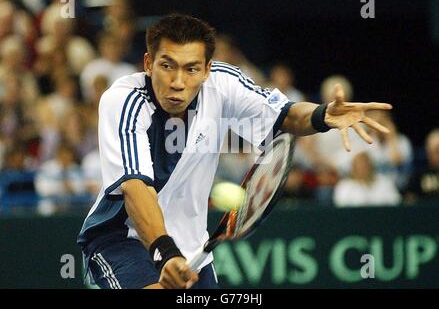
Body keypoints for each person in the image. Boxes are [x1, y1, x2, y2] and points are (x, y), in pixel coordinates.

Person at [77, 14, 392, 289]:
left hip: (191, 247)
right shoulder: (123, 101)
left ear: (207, 70)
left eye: (191, 69)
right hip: (121, 238)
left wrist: (322, 115)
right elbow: (136, 190)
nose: (177, 81)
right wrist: (165, 253)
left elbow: (285, 115)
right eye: (166, 66)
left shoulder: (223, 86)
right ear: (148, 63)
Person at [333, 151, 401, 207]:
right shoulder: (344, 186)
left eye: (365, 164)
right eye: (359, 165)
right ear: (353, 168)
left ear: (371, 166)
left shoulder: (385, 182)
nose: (363, 168)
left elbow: (395, 203)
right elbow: (341, 209)